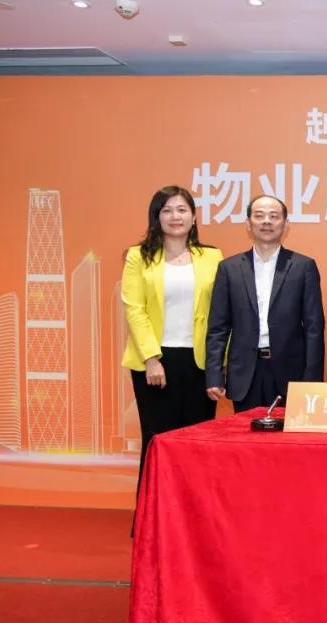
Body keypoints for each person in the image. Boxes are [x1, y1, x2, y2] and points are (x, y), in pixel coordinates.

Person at [122, 186, 222, 488]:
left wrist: (219, 365)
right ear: (156, 217)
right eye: (166, 210)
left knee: (196, 445)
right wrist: (152, 359)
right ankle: (151, 513)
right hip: (155, 362)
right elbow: (135, 310)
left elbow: (221, 315)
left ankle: (191, 514)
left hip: (199, 362)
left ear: (193, 217)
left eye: (181, 210)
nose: (175, 216)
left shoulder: (212, 257)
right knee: (157, 441)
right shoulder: (138, 257)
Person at [205, 195, 324, 411]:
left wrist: (312, 379)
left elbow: (314, 328)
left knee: (287, 432)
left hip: (290, 373)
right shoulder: (229, 268)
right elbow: (218, 328)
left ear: (285, 224)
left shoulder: (303, 266)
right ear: (248, 224)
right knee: (245, 432)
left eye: (274, 216)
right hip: (244, 373)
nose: (267, 221)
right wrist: (214, 374)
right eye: (259, 216)